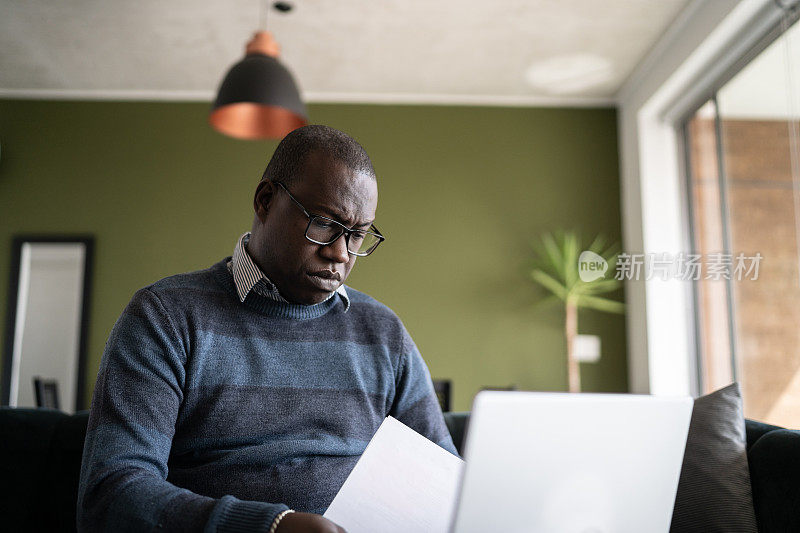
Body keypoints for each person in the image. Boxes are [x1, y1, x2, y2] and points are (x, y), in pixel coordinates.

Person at [77, 125, 458, 533]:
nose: (340, 254)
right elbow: (111, 495)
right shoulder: (165, 317)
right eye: (325, 224)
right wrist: (270, 526)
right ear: (265, 201)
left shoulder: (383, 333)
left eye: (358, 235)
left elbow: (445, 486)